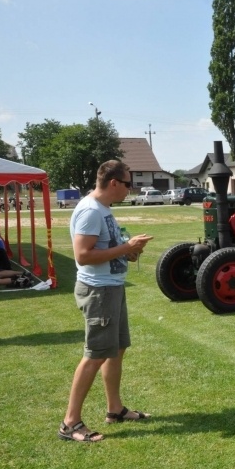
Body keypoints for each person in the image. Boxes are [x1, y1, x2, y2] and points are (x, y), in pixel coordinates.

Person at [59, 160, 154, 443]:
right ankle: (70, 423)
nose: (130, 189)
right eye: (127, 183)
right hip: (98, 292)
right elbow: (83, 255)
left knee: (116, 348)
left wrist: (127, 252)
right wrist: (126, 247)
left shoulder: (103, 210)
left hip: (111, 288)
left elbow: (105, 247)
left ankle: (115, 410)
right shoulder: (90, 211)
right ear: (113, 183)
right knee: (96, 353)